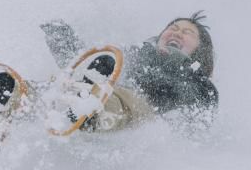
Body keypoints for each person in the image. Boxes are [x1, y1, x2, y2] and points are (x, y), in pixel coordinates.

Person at [39, 11, 218, 132]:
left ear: (200, 51)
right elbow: (88, 61)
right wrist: (63, 39)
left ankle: (89, 111)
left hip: (139, 112)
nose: (177, 33)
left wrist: (178, 65)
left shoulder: (199, 82)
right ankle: (20, 96)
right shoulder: (139, 53)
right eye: (173, 29)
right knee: (101, 63)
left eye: (187, 33)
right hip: (97, 89)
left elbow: (201, 118)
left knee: (118, 100)